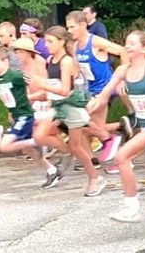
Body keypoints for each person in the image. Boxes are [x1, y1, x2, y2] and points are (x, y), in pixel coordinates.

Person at [86, 31, 145, 221]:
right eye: (127, 43)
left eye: (132, 44)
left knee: (121, 157)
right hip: (144, 126)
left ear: (144, 49)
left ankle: (131, 207)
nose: (127, 46)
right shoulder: (122, 70)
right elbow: (104, 95)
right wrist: (92, 106)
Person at [29, 26, 105, 195]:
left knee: (78, 147)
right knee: (39, 135)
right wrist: (34, 95)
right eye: (46, 41)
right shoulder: (50, 60)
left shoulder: (66, 61)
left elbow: (64, 89)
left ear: (61, 42)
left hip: (71, 107)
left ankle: (95, 177)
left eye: (50, 41)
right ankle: (69, 152)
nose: (47, 45)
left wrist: (42, 84)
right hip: (57, 106)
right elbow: (52, 88)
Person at [0, 45, 56, 188]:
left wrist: (38, 96)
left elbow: (38, 84)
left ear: (6, 61)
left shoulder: (15, 76)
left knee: (4, 146)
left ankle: (36, 141)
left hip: (25, 116)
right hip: (16, 117)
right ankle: (52, 170)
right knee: (28, 150)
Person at [66, 10, 125, 162]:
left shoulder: (96, 42)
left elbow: (122, 51)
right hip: (89, 89)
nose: (69, 31)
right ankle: (92, 160)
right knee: (88, 128)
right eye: (68, 28)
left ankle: (108, 139)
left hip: (105, 88)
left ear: (83, 25)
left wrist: (123, 78)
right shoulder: (75, 46)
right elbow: (77, 71)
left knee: (80, 117)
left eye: (72, 27)